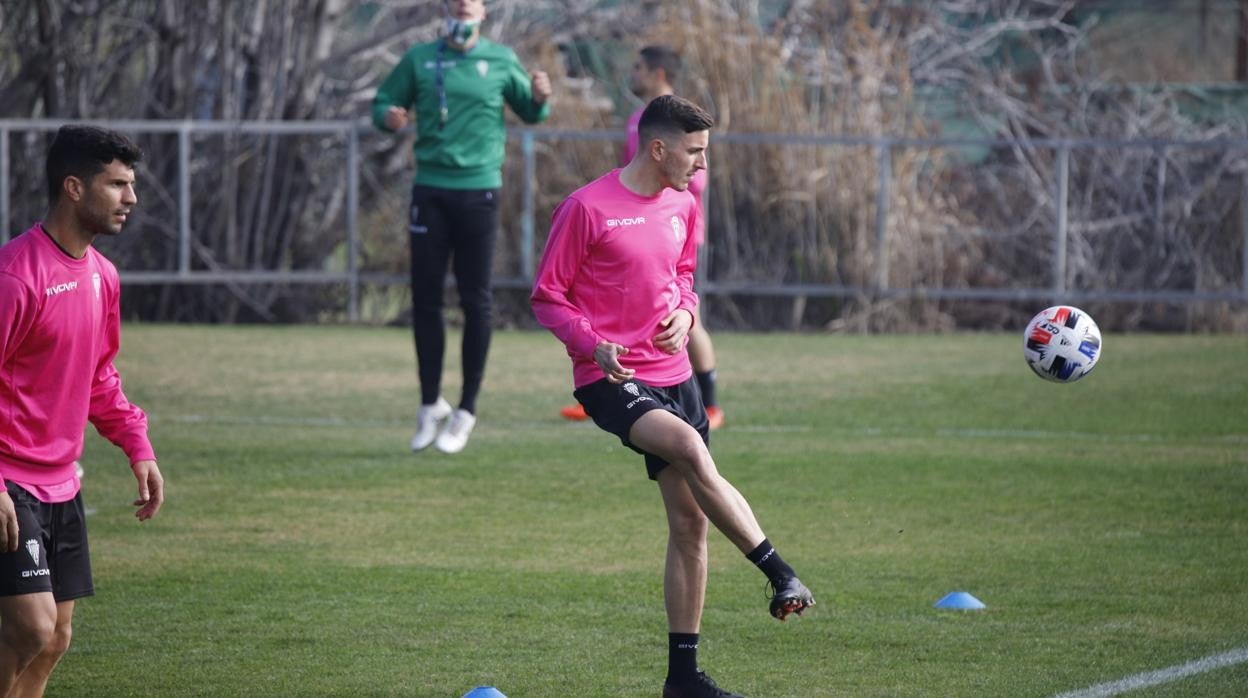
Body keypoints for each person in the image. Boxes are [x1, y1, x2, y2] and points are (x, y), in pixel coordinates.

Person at [532, 95, 814, 698]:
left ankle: (682, 680)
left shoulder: (683, 205)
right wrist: (592, 343)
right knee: (687, 444)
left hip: (675, 372)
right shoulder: (586, 207)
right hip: (609, 380)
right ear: (658, 148)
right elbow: (547, 296)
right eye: (694, 152)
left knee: (689, 525)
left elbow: (683, 277)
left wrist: (686, 315)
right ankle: (779, 572)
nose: (701, 166)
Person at [0, 125, 166, 696]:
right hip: (9, 483)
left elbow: (99, 376)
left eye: (131, 184)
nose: (131, 198)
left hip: (63, 485)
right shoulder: (18, 275)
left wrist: (136, 445)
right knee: (31, 626)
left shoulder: (103, 276)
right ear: (74, 187)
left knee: (54, 640)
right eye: (117, 184)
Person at [372, 0, 553, 454]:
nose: (460, 14)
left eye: (467, 7)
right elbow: (383, 102)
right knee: (426, 298)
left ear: (483, 12)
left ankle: (467, 409)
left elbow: (530, 114)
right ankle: (430, 403)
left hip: (479, 192)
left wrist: (541, 96)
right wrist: (388, 117)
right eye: (453, 6)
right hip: (429, 189)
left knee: (477, 299)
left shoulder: (499, 59)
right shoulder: (419, 59)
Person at [561, 45, 726, 430]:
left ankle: (709, 402)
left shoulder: (683, 123)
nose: (631, 73)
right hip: (632, 229)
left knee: (687, 318)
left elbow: (693, 177)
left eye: (638, 67)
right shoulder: (638, 118)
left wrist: (661, 208)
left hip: (671, 233)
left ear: (656, 72)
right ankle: (617, 387)